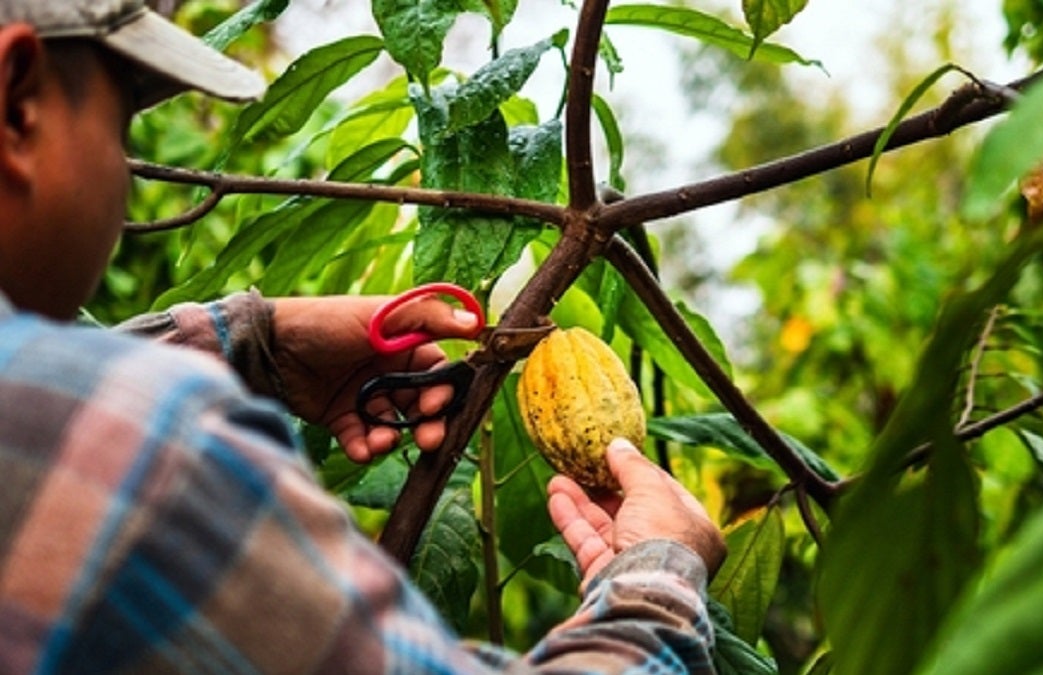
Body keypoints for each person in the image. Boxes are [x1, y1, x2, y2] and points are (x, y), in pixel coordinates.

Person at [0, 0, 727, 672]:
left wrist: (254, 340)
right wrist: (660, 579)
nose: (126, 173)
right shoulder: (141, 440)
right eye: (120, 124)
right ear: (15, 102)